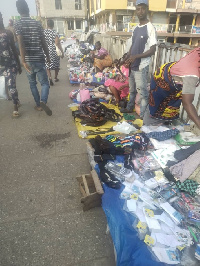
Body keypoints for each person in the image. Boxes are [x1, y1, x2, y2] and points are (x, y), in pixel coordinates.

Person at [143, 47, 200, 129]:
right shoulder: (191, 75)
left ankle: (165, 126)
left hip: (175, 74)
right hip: (162, 80)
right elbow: (187, 103)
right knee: (157, 108)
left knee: (171, 106)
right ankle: (148, 129)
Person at [14, 0, 52, 116]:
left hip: (28, 60)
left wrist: (23, 60)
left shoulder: (18, 23)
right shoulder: (37, 24)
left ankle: (38, 105)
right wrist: (48, 56)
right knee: (45, 83)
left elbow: (20, 42)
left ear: (19, 10)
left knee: (32, 83)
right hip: (39, 58)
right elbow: (43, 42)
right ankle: (43, 100)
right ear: (28, 9)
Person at [120, 0, 157, 117]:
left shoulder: (150, 28)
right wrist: (127, 56)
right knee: (132, 90)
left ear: (147, 10)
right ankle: (130, 107)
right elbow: (132, 45)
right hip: (133, 64)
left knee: (142, 93)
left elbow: (152, 49)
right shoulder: (136, 28)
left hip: (141, 65)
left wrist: (136, 56)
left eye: (143, 8)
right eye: (138, 9)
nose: (140, 11)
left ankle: (143, 115)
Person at [0, 12, 22, 117]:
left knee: (11, 85)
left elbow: (14, 49)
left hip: (10, 64)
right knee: (5, 87)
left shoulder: (8, 33)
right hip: (0, 66)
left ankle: (15, 107)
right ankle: (16, 100)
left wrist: (19, 64)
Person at [44, 19, 64, 86]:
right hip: (53, 50)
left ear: (47, 25)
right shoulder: (55, 33)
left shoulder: (44, 32)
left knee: (47, 65)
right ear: (53, 25)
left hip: (46, 50)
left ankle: (50, 78)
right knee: (56, 64)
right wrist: (62, 52)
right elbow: (57, 43)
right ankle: (55, 77)